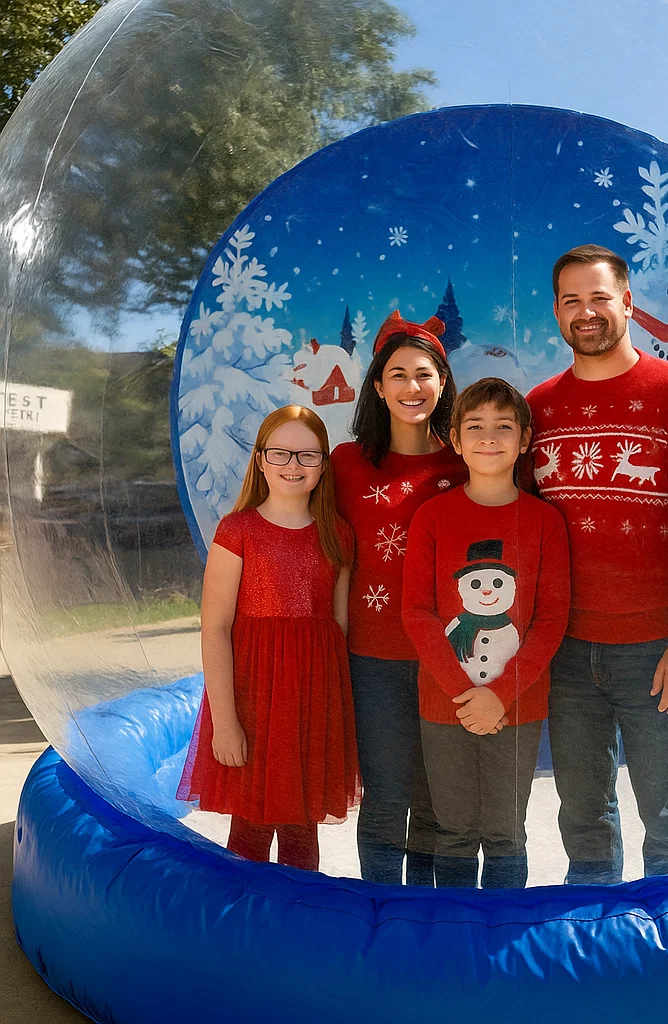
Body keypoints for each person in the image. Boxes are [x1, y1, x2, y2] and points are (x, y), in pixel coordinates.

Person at [527, 244, 668, 883]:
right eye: (571, 301)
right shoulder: (539, 407)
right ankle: (593, 939)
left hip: (654, 649)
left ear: (627, 304)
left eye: (598, 298)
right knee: (582, 812)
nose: (585, 313)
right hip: (564, 648)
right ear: (557, 313)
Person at [402, 378, 570, 888]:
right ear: (455, 439)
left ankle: (502, 947)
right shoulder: (432, 516)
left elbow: (550, 619)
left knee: (504, 832)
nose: (489, 438)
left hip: (517, 706)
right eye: (475, 427)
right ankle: (454, 947)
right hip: (444, 704)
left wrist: (498, 695)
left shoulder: (545, 522)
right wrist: (463, 693)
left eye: (503, 427)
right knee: (452, 830)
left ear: (525, 439)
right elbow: (417, 612)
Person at [177, 405, 359, 872]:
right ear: (260, 460)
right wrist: (225, 721)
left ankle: (298, 933)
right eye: (280, 453)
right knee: (250, 829)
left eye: (307, 455)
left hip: (310, 706)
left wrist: (331, 721)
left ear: (323, 465)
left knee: (303, 830)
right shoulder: (237, 531)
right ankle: (241, 935)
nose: (293, 465)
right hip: (253, 703)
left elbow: (336, 629)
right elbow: (215, 627)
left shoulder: (337, 533)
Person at [331, 311, 467, 886]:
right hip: (374, 659)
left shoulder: (466, 461)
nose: (412, 387)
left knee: (439, 802)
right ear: (379, 386)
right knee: (386, 801)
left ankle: (433, 927)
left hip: (450, 658)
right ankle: (385, 926)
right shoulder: (346, 463)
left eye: (424, 374)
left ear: (442, 382)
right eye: (398, 374)